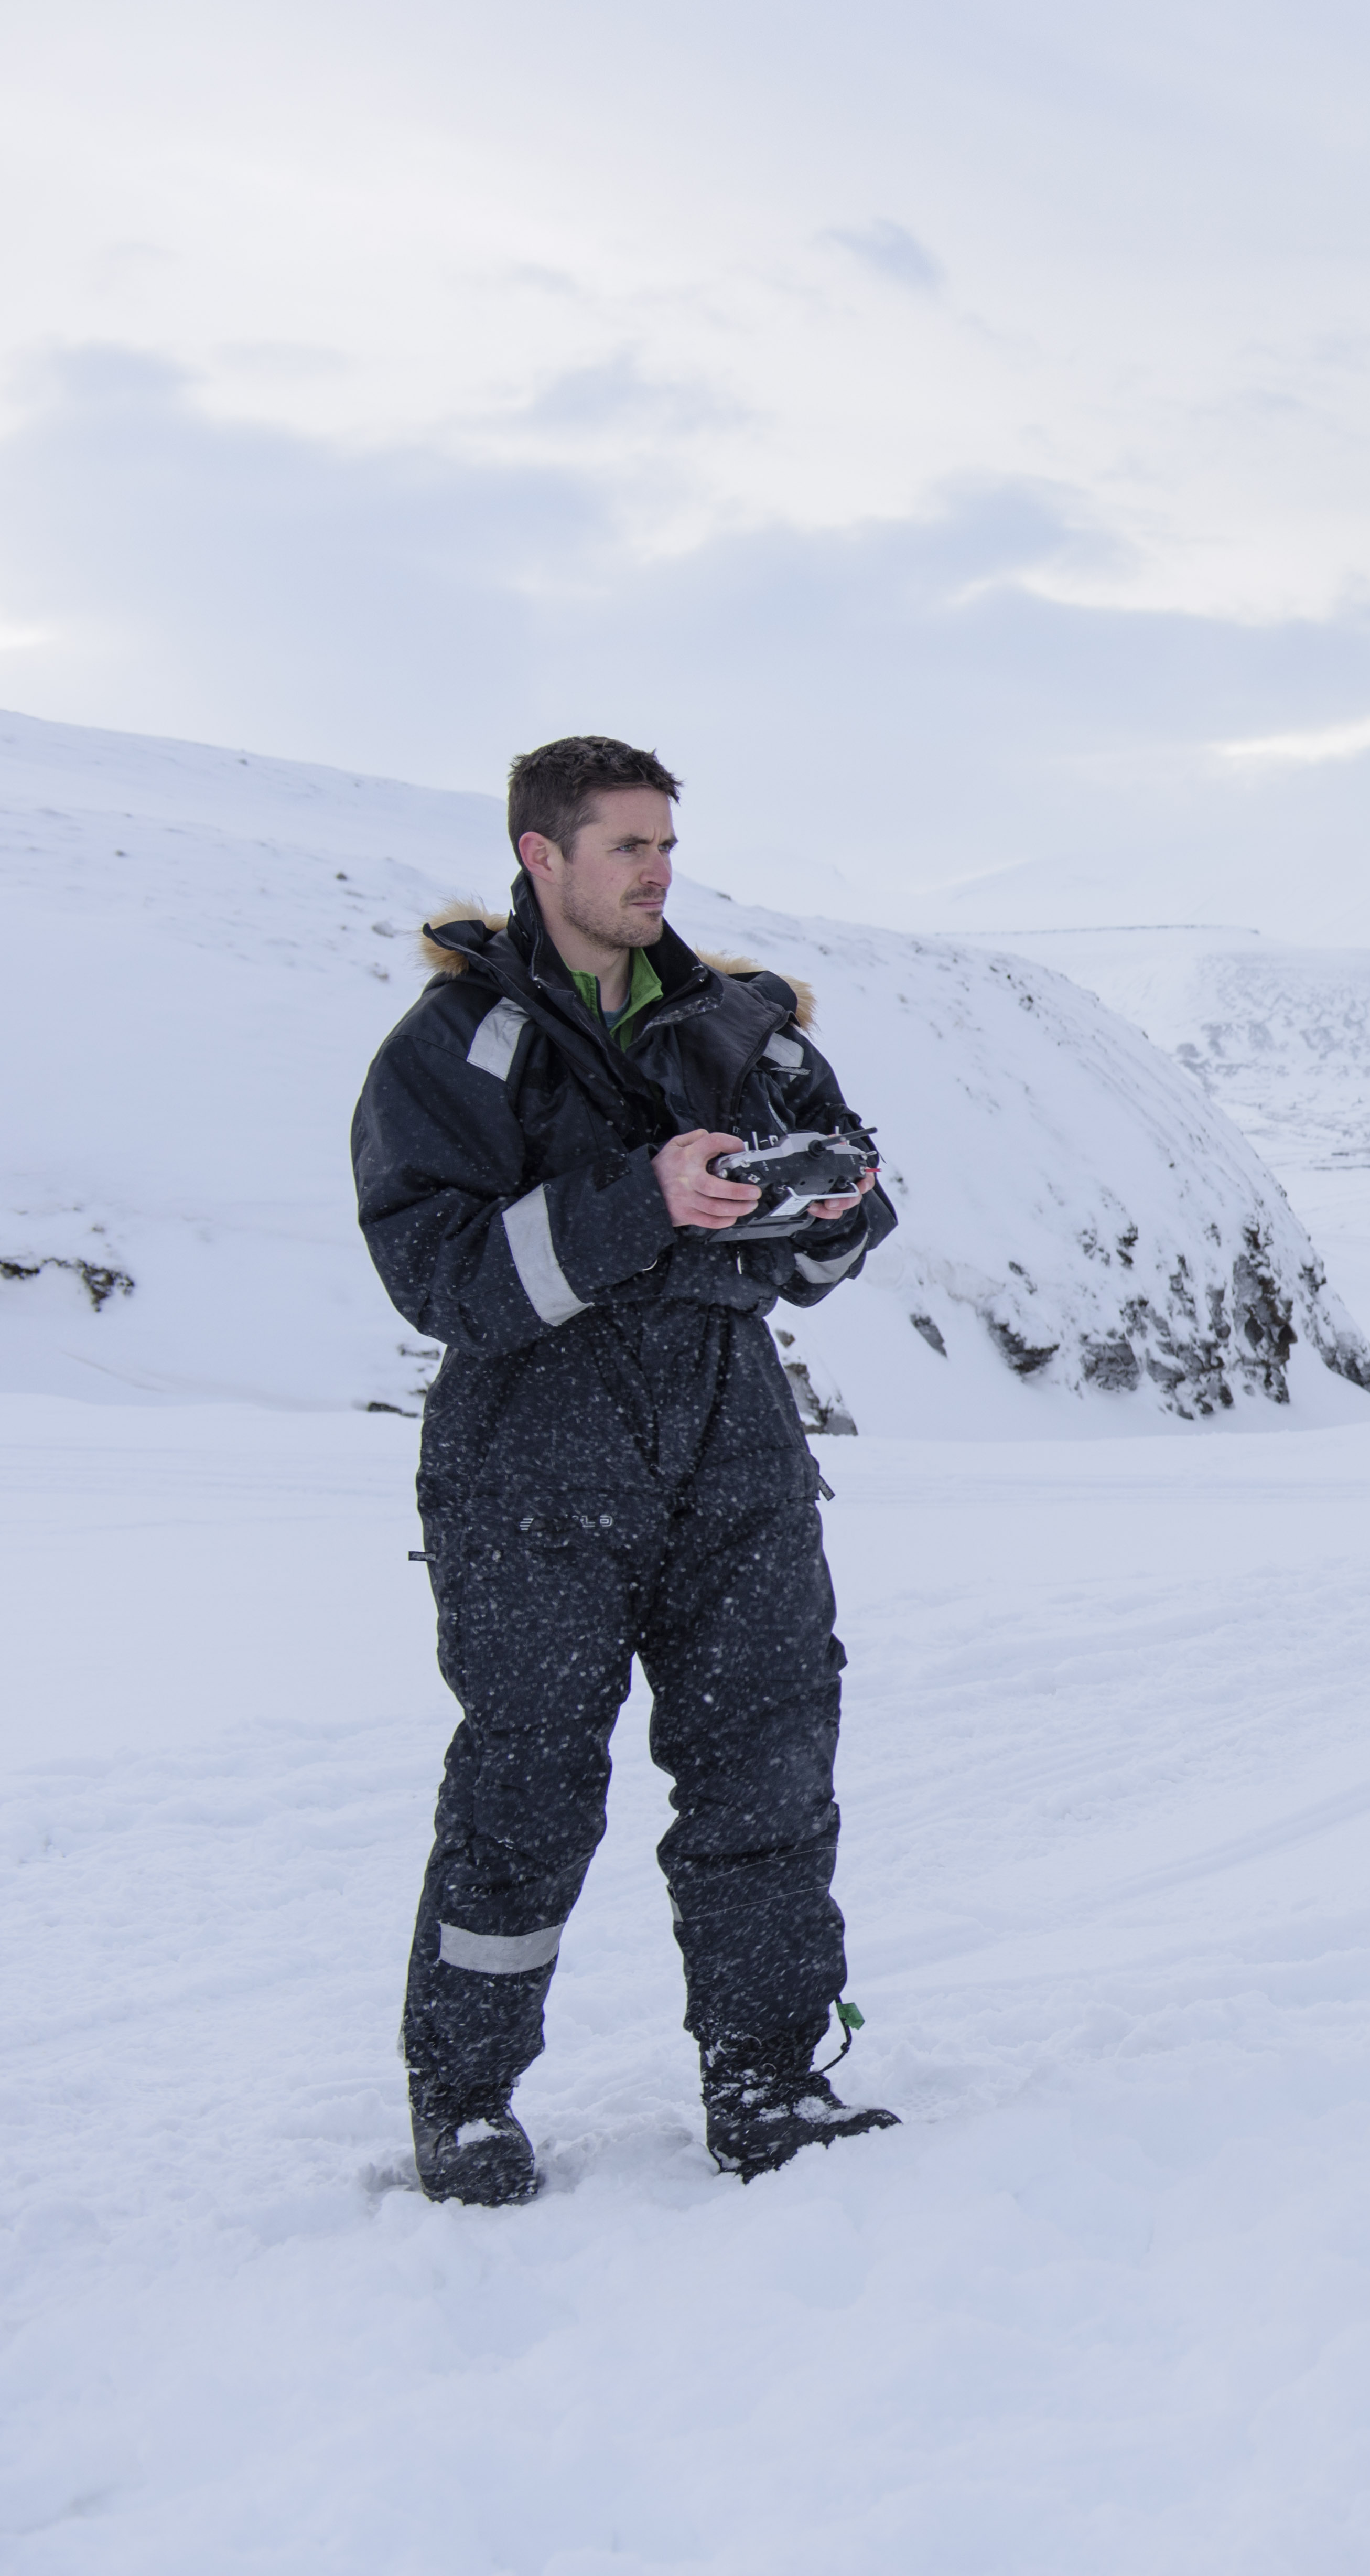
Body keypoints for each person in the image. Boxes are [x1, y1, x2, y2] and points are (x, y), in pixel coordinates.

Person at [352, 736, 902, 2204]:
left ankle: (770, 2077)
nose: (659, 873)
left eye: (668, 844)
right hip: (536, 1456)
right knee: (526, 1791)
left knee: (767, 1770)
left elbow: (839, 1236)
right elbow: (439, 1274)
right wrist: (637, 1202)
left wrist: (828, 1209)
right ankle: (464, 2099)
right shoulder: (454, 1049)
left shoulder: (746, 1026)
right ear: (544, 857)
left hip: (733, 1440)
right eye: (628, 848)